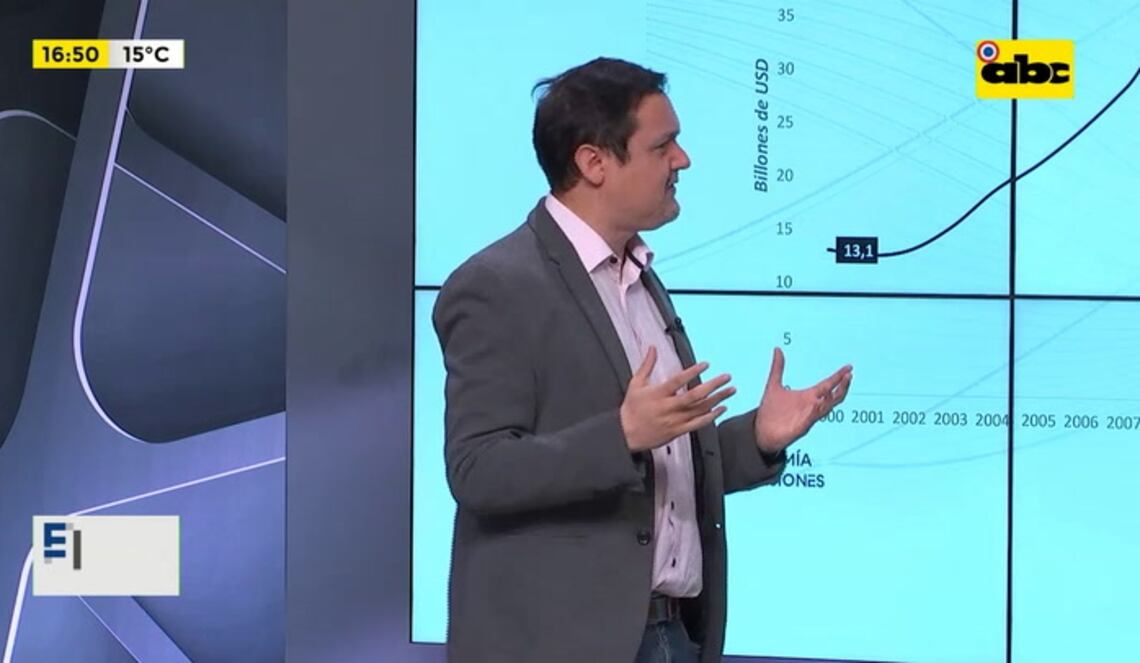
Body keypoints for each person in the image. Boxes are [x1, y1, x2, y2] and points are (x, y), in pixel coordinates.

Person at [432, 57, 853, 663]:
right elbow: (478, 470)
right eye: (663, 146)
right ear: (593, 163)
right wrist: (622, 434)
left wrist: (757, 439)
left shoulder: (637, 277)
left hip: (671, 635)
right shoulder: (496, 286)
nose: (683, 160)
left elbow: (656, 466)